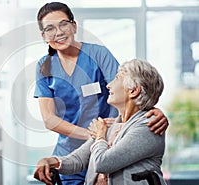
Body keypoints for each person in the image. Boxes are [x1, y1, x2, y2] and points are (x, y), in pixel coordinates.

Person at [34, 2, 168, 184]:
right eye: (50, 28)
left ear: (74, 26)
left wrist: (152, 111)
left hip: (114, 143)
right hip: (75, 148)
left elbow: (128, 88)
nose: (58, 32)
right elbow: (50, 119)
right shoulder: (44, 67)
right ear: (43, 36)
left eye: (63, 24)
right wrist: (96, 135)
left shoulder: (98, 54)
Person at [34, 59, 167, 185]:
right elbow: (78, 160)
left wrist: (99, 136)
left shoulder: (149, 126)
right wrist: (51, 161)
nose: (109, 85)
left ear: (133, 91)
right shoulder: (110, 125)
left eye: (117, 78)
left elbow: (104, 163)